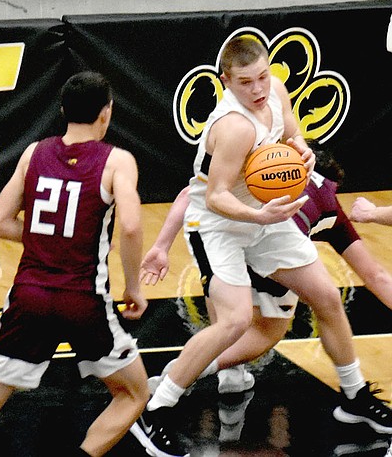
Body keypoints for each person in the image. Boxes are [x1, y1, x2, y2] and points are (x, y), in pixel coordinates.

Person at [132, 36, 392, 457]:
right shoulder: (233, 127)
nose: (256, 89)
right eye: (245, 82)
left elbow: (292, 132)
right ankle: (156, 409)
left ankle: (355, 396)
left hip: (267, 215)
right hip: (218, 225)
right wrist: (258, 216)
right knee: (233, 322)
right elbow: (215, 195)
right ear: (225, 82)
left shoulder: (274, 91)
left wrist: (302, 154)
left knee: (326, 296)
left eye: (261, 77)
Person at [0, 71, 151, 457]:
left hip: (29, 297)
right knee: (133, 393)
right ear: (107, 113)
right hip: (83, 300)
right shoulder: (118, 160)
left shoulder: (33, 152)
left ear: (61, 111)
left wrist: (47, 236)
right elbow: (134, 226)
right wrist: (134, 286)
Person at [142, 143, 392, 408]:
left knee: (226, 307)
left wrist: (161, 246)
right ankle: (190, 370)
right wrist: (372, 213)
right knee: (268, 332)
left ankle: (226, 372)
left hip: (222, 242)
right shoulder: (330, 204)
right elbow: (376, 276)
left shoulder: (252, 169)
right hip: (272, 245)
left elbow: (187, 194)